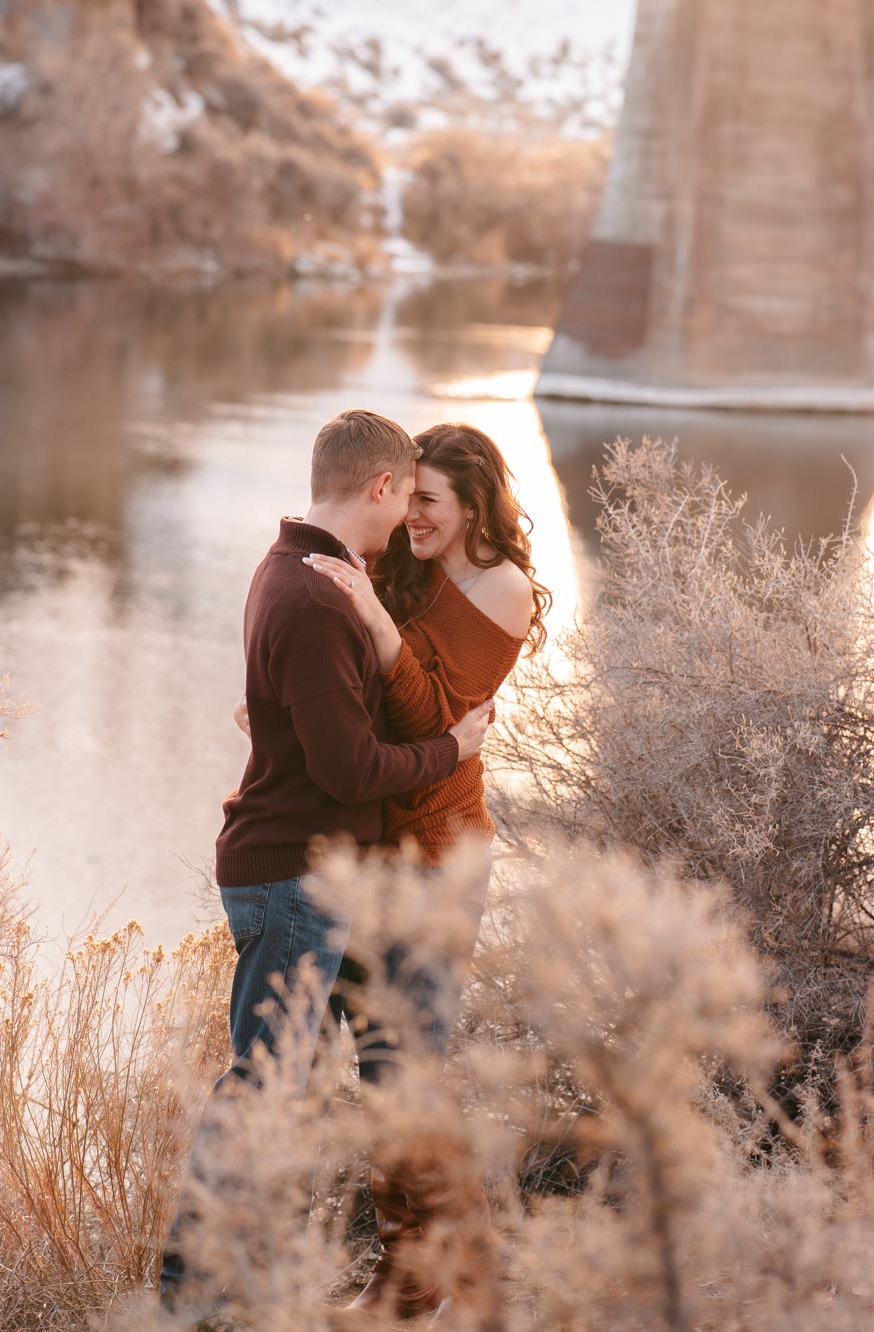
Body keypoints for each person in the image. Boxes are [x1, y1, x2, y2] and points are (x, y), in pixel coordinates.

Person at [158, 409, 493, 1311]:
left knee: (313, 1078)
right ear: (379, 487)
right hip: (293, 873)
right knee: (262, 1087)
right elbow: (350, 769)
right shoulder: (316, 595)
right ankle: (196, 1298)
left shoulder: (302, 572)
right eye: (403, 500)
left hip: (301, 872)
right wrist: (455, 751)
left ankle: (311, 1281)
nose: (404, 530)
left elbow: (322, 728)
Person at [302, 421, 551, 1317]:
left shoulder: (503, 588)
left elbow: (426, 718)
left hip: (441, 853)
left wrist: (368, 610)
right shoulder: (408, 565)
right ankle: (414, 1267)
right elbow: (363, 699)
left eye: (429, 502)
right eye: (406, 498)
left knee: (411, 1066)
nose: (411, 515)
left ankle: (437, 1273)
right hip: (372, 841)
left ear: (474, 503)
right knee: (381, 1067)